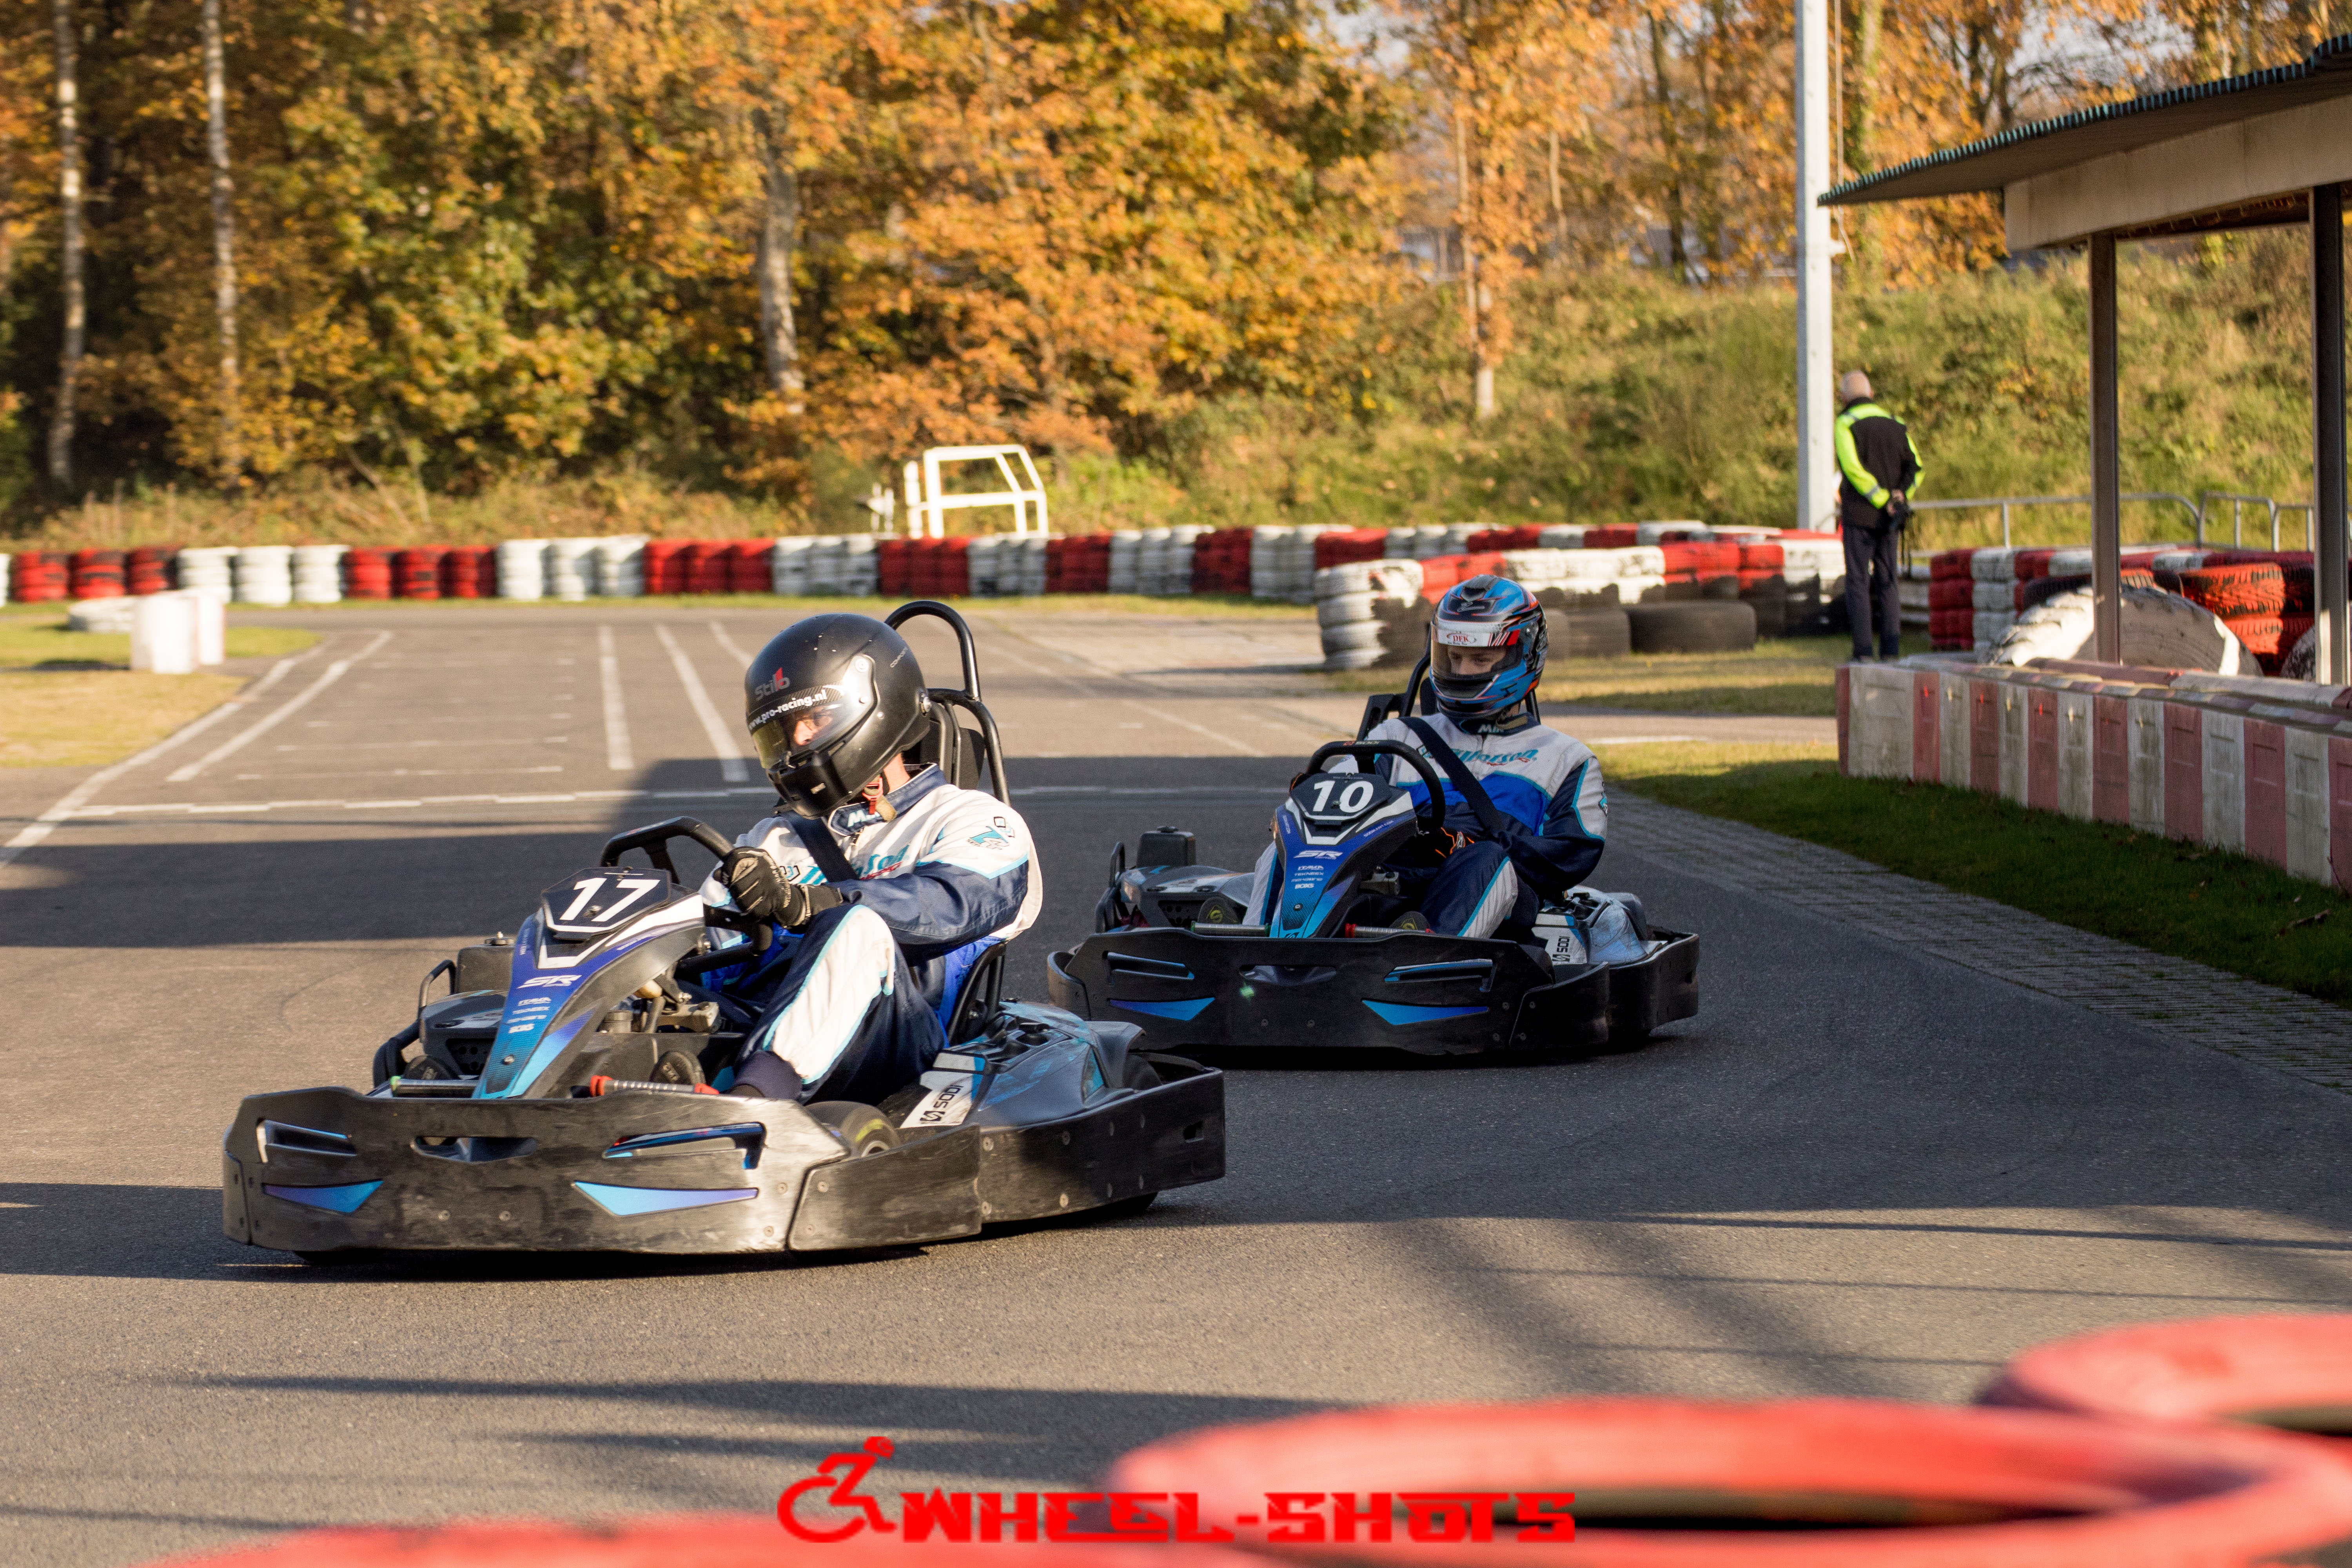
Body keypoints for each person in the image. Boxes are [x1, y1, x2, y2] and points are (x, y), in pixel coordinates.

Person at [702, 613, 1039, 1103]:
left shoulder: (971, 817)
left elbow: (957, 903)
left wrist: (813, 902)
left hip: (897, 1038)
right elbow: (708, 949)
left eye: (814, 719)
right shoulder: (770, 839)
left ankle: (758, 1101)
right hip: (755, 1020)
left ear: (876, 707)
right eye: (785, 730)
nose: (799, 741)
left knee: (857, 926)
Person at [1247, 574, 1607, 939]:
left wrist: (1466, 842)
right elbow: (1332, 802)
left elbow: (1569, 856)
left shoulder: (1564, 758)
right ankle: (1255, 947)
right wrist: (1310, 799)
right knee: (1288, 851)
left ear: (1523, 655)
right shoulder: (1396, 737)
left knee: (1485, 861)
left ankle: (1426, 955)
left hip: (1490, 895)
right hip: (1391, 884)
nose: (1462, 671)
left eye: (1480, 659)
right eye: (1454, 658)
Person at [1835, 369, 1924, 662]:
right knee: (1888, 581)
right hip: (1890, 520)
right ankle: (1891, 653)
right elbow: (1916, 468)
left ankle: (1863, 653)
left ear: (1843, 397)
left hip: (1859, 517)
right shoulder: (1896, 425)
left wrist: (1881, 498)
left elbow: (1853, 469)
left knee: (1858, 583)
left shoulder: (1845, 424)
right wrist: (1900, 497)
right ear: (1872, 394)